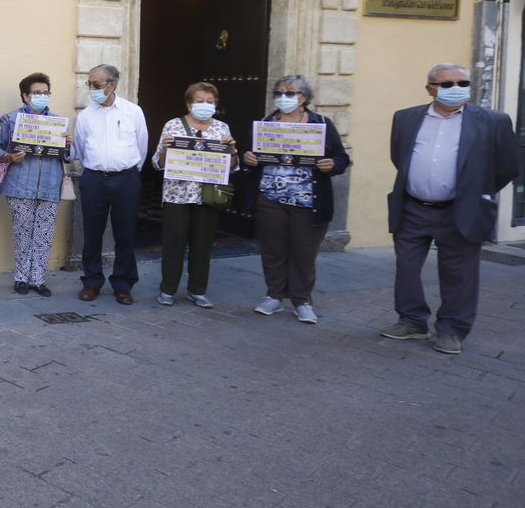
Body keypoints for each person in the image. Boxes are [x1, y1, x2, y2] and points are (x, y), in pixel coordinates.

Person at [381, 63, 519, 355]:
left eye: (462, 83)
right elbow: (400, 157)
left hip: (460, 210)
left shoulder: (493, 121)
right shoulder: (406, 118)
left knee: (459, 273)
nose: (456, 89)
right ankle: (412, 320)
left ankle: (451, 329)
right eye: (446, 84)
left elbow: (507, 167)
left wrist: (474, 193)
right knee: (406, 267)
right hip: (412, 208)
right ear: (430, 89)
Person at [238, 75, 350, 324]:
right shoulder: (264, 124)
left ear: (305, 97)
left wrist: (332, 164)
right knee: (272, 250)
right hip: (270, 198)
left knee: (304, 252)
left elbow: (341, 159)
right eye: (278, 93)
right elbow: (248, 154)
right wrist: (248, 160)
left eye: (290, 93)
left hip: (308, 200)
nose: (283, 98)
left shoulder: (322, 124)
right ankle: (274, 295)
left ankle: (301, 300)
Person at [151, 82, 237, 308]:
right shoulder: (173, 126)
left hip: (207, 196)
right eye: (200, 101)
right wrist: (165, 149)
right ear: (189, 103)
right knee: (173, 244)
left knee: (203, 244)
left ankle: (197, 290)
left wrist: (233, 151)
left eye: (210, 101)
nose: (205, 105)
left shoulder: (222, 128)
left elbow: (232, 166)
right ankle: (167, 289)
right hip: (177, 195)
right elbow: (157, 163)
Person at [71, 63, 147, 304]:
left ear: (112, 84)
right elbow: (80, 150)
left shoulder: (133, 112)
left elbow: (142, 146)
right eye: (89, 84)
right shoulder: (84, 116)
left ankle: (123, 284)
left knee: (125, 234)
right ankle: (92, 282)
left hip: (126, 179)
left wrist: (129, 172)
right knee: (92, 234)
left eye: (96, 84)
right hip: (94, 179)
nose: (91, 89)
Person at [0, 72, 66, 297]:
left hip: (50, 185)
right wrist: (9, 157)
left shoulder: (58, 122)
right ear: (25, 96)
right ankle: (21, 278)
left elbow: (69, 156)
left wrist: (67, 143)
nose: (42, 96)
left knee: (44, 234)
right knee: (23, 232)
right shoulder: (10, 120)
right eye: (36, 93)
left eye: (45, 93)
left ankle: (38, 279)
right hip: (20, 185)